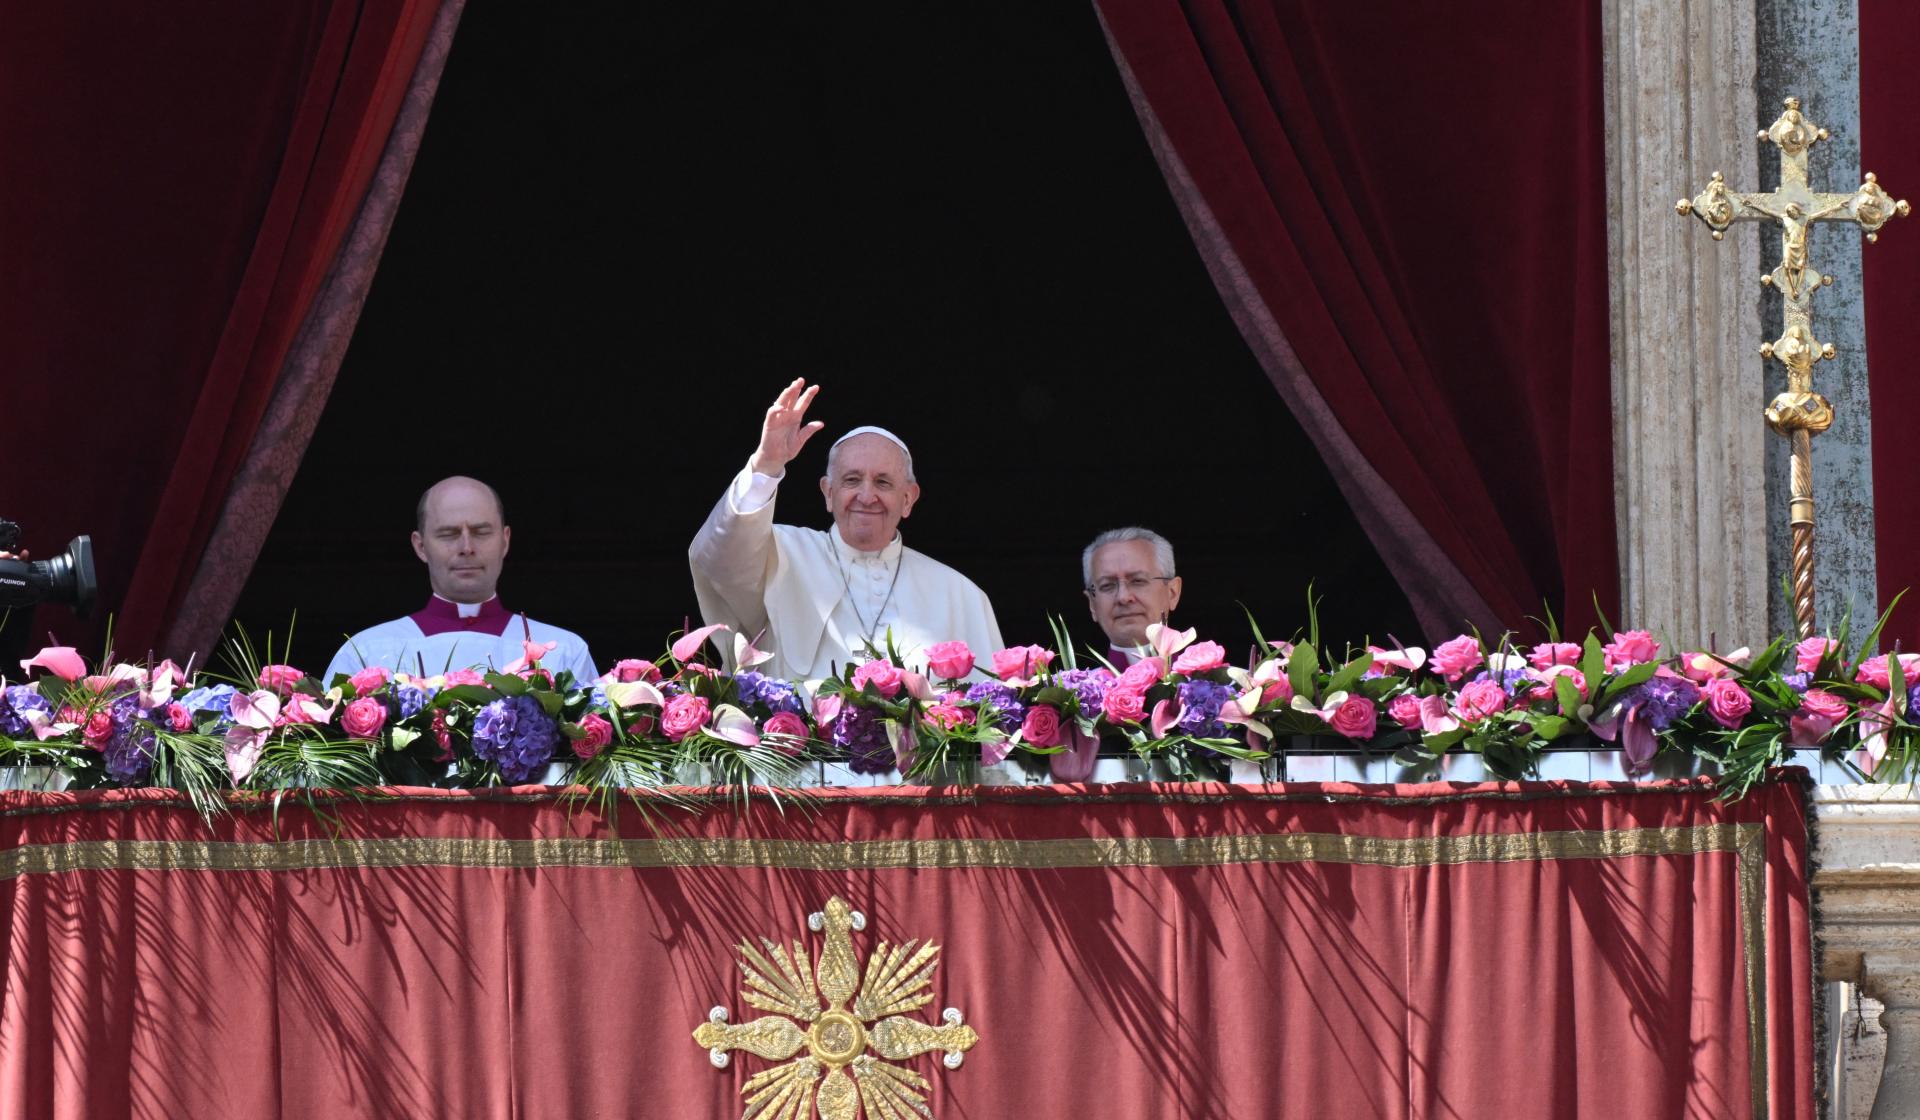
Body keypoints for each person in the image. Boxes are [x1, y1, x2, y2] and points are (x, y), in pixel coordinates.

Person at [689, 378, 1003, 683]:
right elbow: (721, 557)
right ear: (828, 493)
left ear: (908, 499)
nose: (866, 496)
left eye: (883, 482)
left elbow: (993, 715)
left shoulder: (960, 596)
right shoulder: (779, 556)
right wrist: (766, 466)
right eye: (851, 480)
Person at [324, 476, 597, 683]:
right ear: (420, 546)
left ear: (505, 541)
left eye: (480, 531)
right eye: (448, 533)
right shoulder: (366, 652)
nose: (466, 547)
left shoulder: (564, 651)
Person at [1082, 527, 1183, 668]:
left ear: (1172, 592)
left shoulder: (1217, 687)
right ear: (1092, 604)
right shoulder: (1075, 690)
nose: (1123, 597)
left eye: (1138, 581)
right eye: (1107, 585)